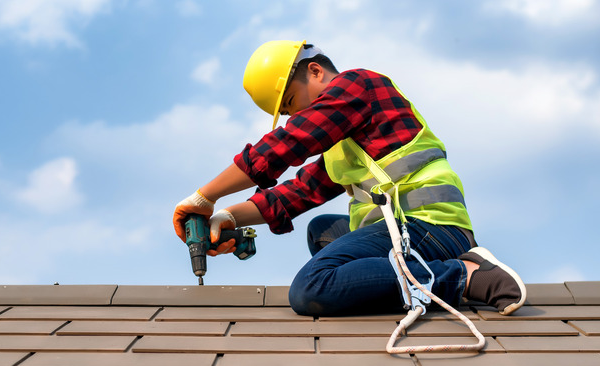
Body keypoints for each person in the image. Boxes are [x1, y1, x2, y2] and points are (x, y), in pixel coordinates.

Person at [173, 40, 526, 317]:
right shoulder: (346, 142)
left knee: (311, 287)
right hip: (404, 229)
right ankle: (413, 278)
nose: (296, 115)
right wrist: (226, 217)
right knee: (321, 231)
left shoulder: (359, 85)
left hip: (428, 226)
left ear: (315, 71)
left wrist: (205, 196)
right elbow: (298, 192)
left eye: (293, 102)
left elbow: (289, 144)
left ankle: (464, 275)